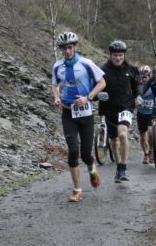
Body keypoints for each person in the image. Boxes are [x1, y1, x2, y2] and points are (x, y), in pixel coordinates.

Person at [52, 31, 106, 202]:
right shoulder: (57, 66)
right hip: (68, 112)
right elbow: (54, 84)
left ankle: (92, 169)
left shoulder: (86, 63)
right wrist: (56, 97)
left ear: (76, 47)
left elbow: (102, 83)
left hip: (86, 112)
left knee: (86, 154)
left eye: (70, 47)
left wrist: (88, 97)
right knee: (73, 150)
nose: (67, 51)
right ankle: (77, 189)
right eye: (64, 48)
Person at [98, 40, 140, 183]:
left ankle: (123, 167)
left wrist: (138, 96)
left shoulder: (131, 69)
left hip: (126, 106)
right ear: (110, 55)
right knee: (114, 140)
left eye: (120, 55)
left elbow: (137, 86)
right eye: (115, 55)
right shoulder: (102, 70)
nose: (118, 58)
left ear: (124, 55)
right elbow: (95, 87)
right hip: (109, 108)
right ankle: (118, 167)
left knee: (123, 134)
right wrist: (98, 95)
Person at [136, 65, 154, 164]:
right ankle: (146, 154)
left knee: (150, 131)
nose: (143, 78)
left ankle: (151, 151)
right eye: (141, 77)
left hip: (151, 112)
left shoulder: (154, 85)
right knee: (142, 135)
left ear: (149, 75)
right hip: (141, 112)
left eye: (145, 76)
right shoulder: (137, 86)